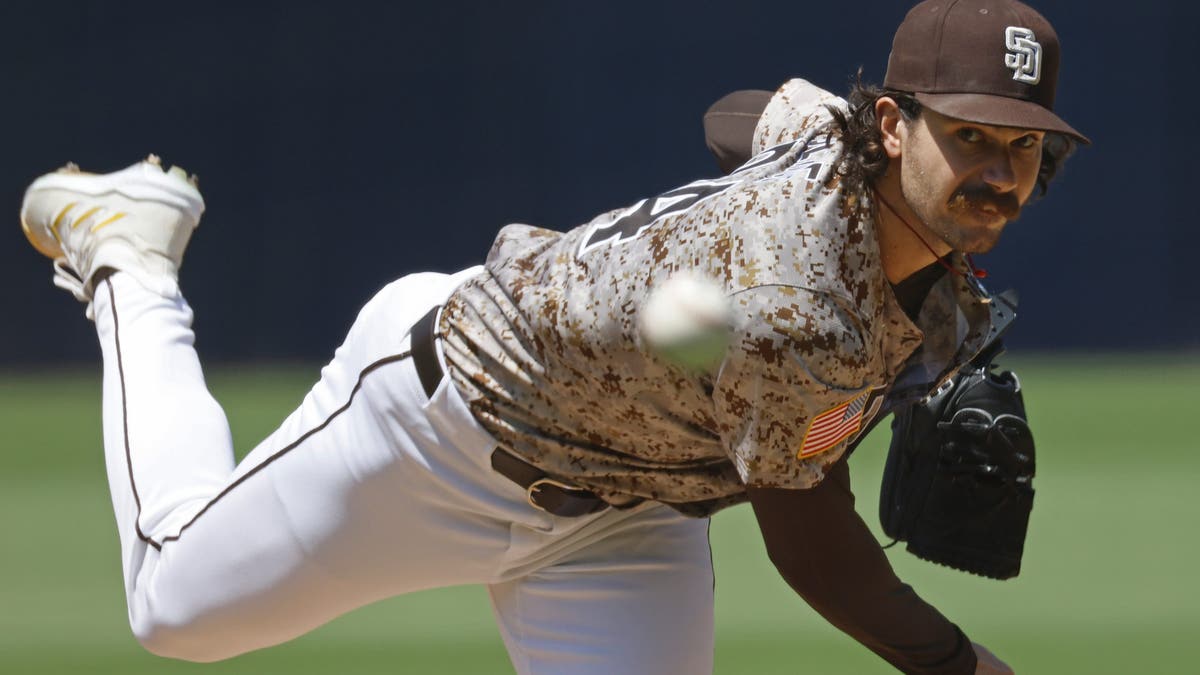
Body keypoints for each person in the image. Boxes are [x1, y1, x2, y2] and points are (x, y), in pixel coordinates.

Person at [19, 0, 1085, 672]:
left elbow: (736, 114)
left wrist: (693, 248)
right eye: (969, 137)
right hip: (445, 432)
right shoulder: (794, 309)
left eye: (1023, 146)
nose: (997, 169)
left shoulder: (829, 133)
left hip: (631, 516)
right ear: (896, 126)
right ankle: (130, 258)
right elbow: (817, 554)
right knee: (173, 611)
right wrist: (959, 665)